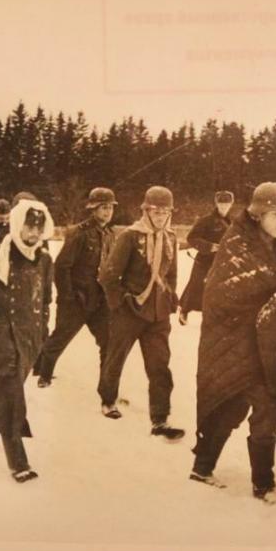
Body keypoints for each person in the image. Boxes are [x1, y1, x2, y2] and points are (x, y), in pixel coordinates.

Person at [190, 182, 276, 504]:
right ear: (258, 213)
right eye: (275, 215)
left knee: (238, 407)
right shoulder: (237, 244)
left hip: (267, 347)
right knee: (260, 409)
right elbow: (219, 294)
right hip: (237, 343)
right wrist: (264, 305)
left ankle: (203, 466)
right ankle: (262, 483)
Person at [0, 198, 54, 483]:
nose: (33, 233)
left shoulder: (44, 259)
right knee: (11, 398)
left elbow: (45, 299)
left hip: (28, 342)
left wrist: (41, 332)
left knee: (4, 393)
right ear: (17, 225)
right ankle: (18, 461)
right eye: (29, 226)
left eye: (39, 228)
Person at [97, 186, 185, 441]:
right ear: (145, 211)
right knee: (116, 358)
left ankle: (160, 419)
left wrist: (169, 297)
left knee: (160, 366)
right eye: (155, 211)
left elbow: (171, 274)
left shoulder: (170, 237)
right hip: (129, 311)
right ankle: (108, 399)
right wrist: (120, 303)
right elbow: (108, 276)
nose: (160, 216)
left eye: (165, 211)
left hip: (158, 315)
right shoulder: (130, 237)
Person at [33, 187, 116, 388]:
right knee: (59, 339)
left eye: (110, 208)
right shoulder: (78, 233)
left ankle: (106, 387)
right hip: (76, 299)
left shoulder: (111, 234)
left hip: (99, 300)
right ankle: (44, 375)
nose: (107, 212)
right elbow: (62, 267)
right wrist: (68, 296)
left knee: (109, 342)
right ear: (93, 209)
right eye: (103, 208)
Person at [178, 191, 234, 325]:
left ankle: (215, 316)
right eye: (221, 204)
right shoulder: (206, 221)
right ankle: (184, 310)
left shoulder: (233, 223)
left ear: (231, 204)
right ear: (216, 203)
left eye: (226, 204)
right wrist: (209, 247)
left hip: (222, 261)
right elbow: (192, 238)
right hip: (204, 260)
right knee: (196, 285)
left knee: (220, 287)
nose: (224, 207)